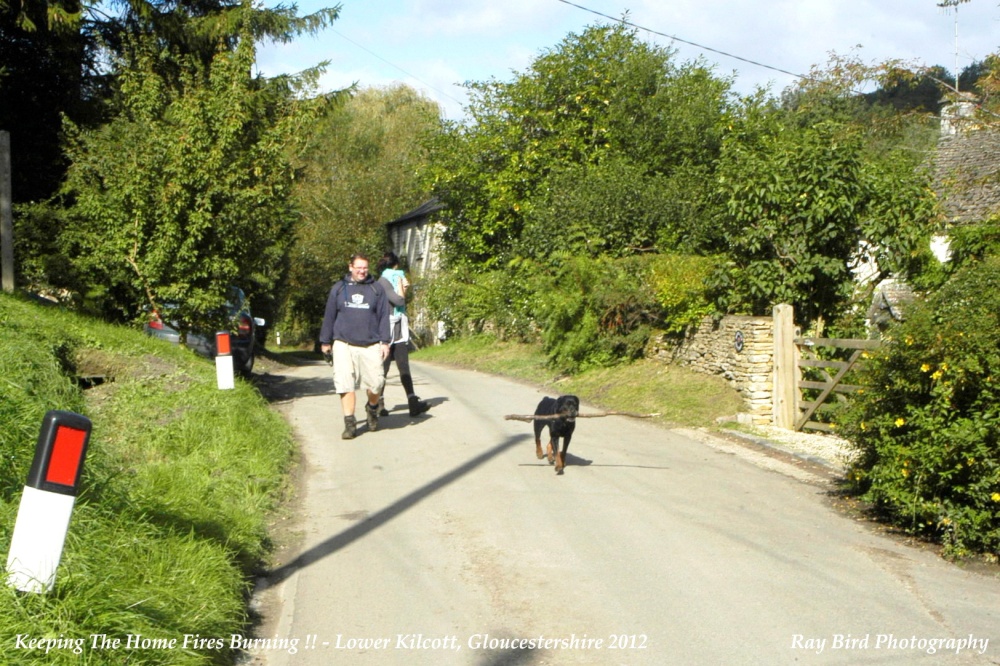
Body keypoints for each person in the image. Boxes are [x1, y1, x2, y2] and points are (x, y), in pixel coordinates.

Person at [319, 254, 391, 439]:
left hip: (371, 344)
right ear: (350, 267)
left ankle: (372, 408)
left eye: (365, 268)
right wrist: (325, 341)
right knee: (345, 384)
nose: (362, 271)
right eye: (358, 267)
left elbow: (384, 316)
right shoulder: (339, 288)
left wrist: (385, 342)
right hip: (344, 343)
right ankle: (350, 424)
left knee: (376, 383)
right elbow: (329, 316)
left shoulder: (376, 289)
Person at [376, 252, 431, 417]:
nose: (399, 273)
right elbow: (399, 301)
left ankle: (412, 401)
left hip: (399, 326)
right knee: (383, 368)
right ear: (394, 266)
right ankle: (378, 402)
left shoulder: (388, 280)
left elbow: (402, 300)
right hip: (387, 328)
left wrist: (403, 288)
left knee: (403, 365)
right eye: (397, 269)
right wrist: (401, 286)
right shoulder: (384, 282)